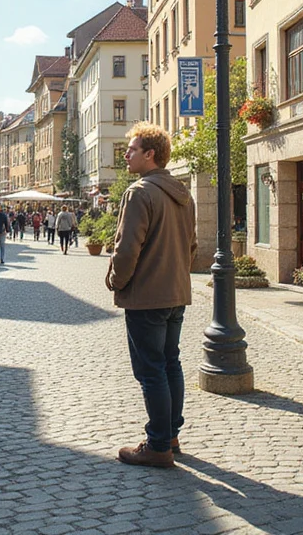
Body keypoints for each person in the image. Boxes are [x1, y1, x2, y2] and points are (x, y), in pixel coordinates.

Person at [107, 121, 197, 469]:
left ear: (151, 154)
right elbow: (192, 247)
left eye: (132, 149)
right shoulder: (182, 194)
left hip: (146, 295)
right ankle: (171, 434)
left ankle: (158, 444)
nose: (126, 154)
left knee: (151, 370)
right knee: (170, 363)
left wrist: (116, 280)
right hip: (175, 292)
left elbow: (127, 248)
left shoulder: (140, 192)